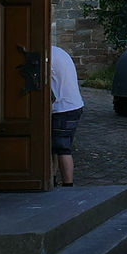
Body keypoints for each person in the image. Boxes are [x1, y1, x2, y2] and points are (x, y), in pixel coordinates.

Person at [51, 45, 84, 186]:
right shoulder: (58, 51)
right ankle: (51, 179)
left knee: (62, 148)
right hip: (74, 105)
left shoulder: (47, 56)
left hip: (62, 109)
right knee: (54, 147)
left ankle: (67, 186)